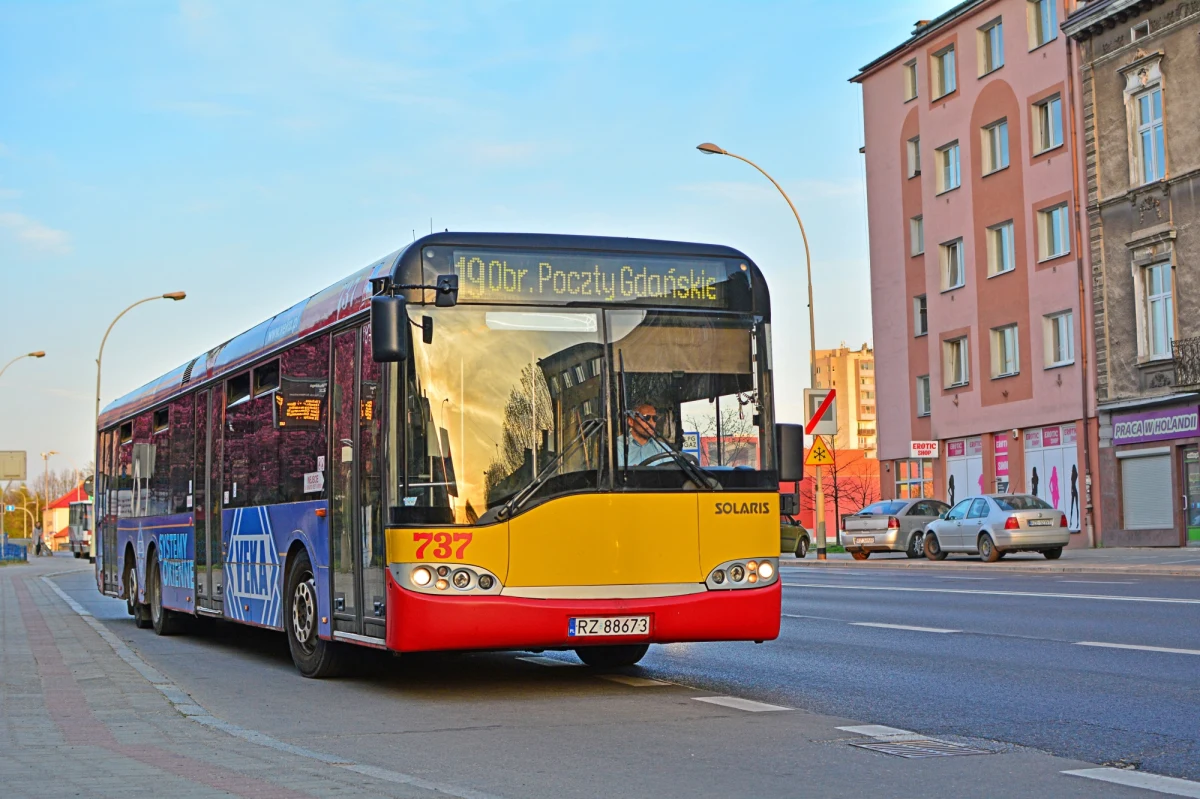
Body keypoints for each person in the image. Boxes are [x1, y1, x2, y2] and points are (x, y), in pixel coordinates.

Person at [618, 402, 671, 466]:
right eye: (646, 418)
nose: (652, 423)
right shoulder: (619, 446)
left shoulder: (662, 448)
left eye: (654, 418)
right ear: (631, 421)